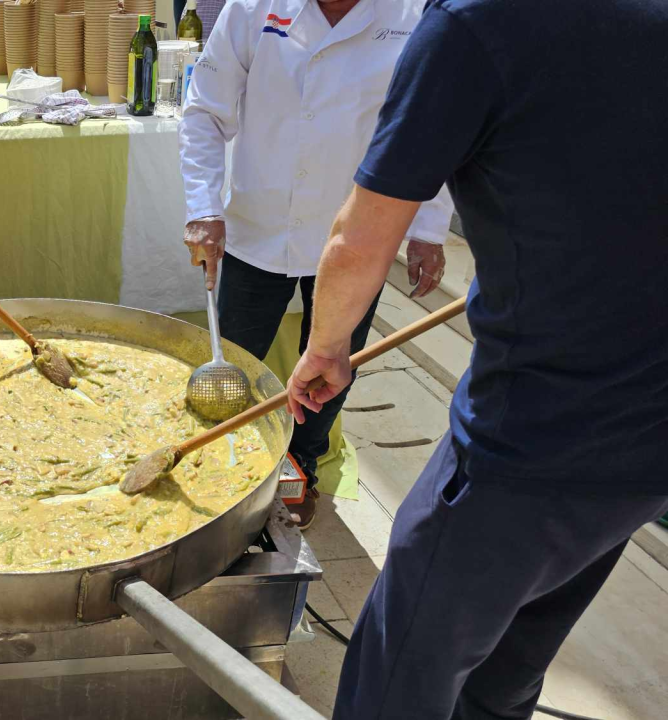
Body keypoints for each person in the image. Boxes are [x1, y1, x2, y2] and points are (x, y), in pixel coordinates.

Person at [281, 1, 668, 717]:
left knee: (397, 685)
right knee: (504, 677)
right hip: (644, 452)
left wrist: (326, 349)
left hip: (528, 443)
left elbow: (359, 238)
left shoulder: (475, 23)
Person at [178, 0, 453, 528]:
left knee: (332, 366)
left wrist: (428, 229)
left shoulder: (411, 15)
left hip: (359, 237)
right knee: (232, 358)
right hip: (258, 229)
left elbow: (431, 129)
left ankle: (301, 461)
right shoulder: (253, 8)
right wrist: (204, 207)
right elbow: (205, 112)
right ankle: (220, 458)